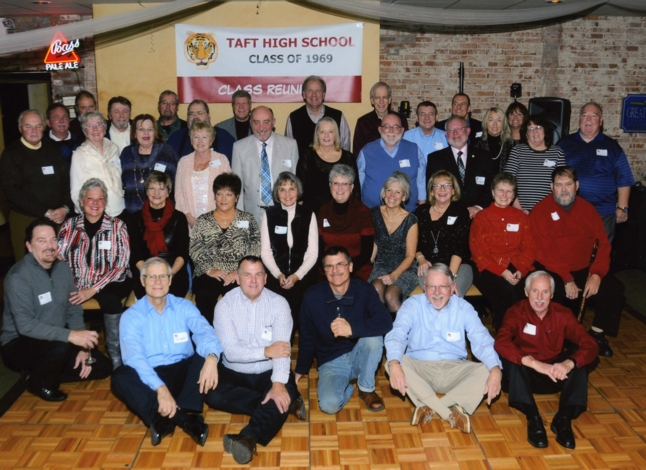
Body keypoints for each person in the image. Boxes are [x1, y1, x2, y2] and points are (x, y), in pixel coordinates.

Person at [205, 256, 305, 465]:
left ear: (266, 278)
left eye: (258, 274)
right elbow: (231, 352)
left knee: (280, 391)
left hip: (269, 371)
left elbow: (282, 352)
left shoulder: (279, 304)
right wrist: (266, 351)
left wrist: (278, 384)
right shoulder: (224, 305)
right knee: (212, 394)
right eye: (247, 275)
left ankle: (248, 438)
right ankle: (285, 403)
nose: (253, 280)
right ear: (238, 278)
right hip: (234, 370)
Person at [111, 257, 220, 447]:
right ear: (142, 280)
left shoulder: (184, 306)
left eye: (163, 276)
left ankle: (162, 419)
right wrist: (160, 388)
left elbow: (204, 331)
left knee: (206, 354)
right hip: (150, 377)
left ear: (170, 280)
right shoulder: (131, 316)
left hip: (182, 374)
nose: (157, 282)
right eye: (151, 277)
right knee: (120, 376)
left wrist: (211, 357)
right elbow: (135, 358)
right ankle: (185, 419)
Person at [1, 219, 112, 402]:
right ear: (29, 246)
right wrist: (70, 336)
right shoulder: (18, 277)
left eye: (53, 240)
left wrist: (82, 347)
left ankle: (35, 374)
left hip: (55, 339)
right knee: (61, 346)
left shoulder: (63, 268)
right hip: (19, 342)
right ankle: (42, 382)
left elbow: (73, 308)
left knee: (102, 367)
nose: (49, 246)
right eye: (41, 240)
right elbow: (25, 325)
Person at [385, 264, 502, 432]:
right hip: (420, 370)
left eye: (443, 286)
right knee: (393, 362)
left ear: (452, 288)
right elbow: (397, 334)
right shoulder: (412, 305)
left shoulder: (464, 308)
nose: (437, 292)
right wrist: (395, 364)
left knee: (489, 369)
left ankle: (428, 406)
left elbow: (481, 339)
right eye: (431, 287)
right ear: (424, 288)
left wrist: (496, 370)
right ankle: (450, 412)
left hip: (455, 370)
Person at [494, 271, 599, 449]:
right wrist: (533, 363)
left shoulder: (562, 314)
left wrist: (568, 364)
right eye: (535, 291)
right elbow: (501, 341)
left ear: (552, 294)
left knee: (579, 357)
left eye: (545, 292)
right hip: (525, 378)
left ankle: (563, 419)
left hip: (555, 375)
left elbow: (591, 344)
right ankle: (533, 418)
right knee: (512, 357)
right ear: (526, 292)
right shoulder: (516, 312)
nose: (540, 298)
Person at [529, 166, 625, 357]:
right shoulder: (540, 211)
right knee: (551, 290)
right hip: (553, 268)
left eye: (568, 184)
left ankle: (596, 334)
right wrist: (566, 278)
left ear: (577, 185)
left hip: (583, 268)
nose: (564, 189)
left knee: (614, 289)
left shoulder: (588, 209)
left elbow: (603, 245)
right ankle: (551, 338)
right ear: (551, 187)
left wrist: (596, 274)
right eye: (559, 185)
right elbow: (542, 251)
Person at [296, 246, 393, 414]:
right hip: (331, 360)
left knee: (373, 339)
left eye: (340, 264)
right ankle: (347, 386)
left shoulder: (364, 290)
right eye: (329, 266)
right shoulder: (312, 296)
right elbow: (307, 336)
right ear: (324, 271)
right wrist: (301, 369)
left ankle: (366, 388)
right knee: (329, 405)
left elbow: (386, 321)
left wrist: (352, 329)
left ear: (350, 266)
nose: (335, 271)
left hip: (359, 354)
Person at [58, 178, 132, 369]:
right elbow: (59, 258)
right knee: (60, 297)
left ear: (105, 202)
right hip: (78, 281)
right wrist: (71, 285)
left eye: (100, 198)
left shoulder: (118, 226)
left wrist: (92, 290)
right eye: (90, 198)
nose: (95, 203)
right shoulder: (69, 226)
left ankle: (116, 355)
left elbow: (121, 266)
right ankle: (75, 350)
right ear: (81, 201)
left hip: (111, 281)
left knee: (110, 299)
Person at [0, 109, 74, 261]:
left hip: (57, 218)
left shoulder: (53, 150)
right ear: (20, 128)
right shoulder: (10, 154)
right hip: (25, 218)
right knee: (29, 264)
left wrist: (65, 208)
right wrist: (45, 212)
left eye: (38, 126)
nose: (34, 130)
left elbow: (67, 181)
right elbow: (12, 192)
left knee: (58, 262)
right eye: (28, 126)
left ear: (43, 127)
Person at [557, 102, 635, 242]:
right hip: (569, 211)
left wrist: (623, 208)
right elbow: (551, 177)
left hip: (603, 213)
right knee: (569, 251)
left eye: (594, 116)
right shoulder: (563, 145)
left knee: (599, 253)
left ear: (600, 121)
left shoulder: (612, 147)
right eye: (584, 115)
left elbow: (623, 178)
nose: (588, 119)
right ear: (580, 119)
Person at [189, 172, 260, 324]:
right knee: (205, 294)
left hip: (239, 273)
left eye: (228, 194)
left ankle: (235, 336)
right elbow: (194, 249)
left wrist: (239, 271)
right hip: (209, 272)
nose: (223, 199)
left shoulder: (247, 219)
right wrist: (209, 270)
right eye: (219, 194)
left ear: (237, 196)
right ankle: (208, 336)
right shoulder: (203, 220)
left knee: (237, 296)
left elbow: (255, 247)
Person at [469, 172, 535, 330]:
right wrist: (502, 272)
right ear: (493, 192)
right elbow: (478, 253)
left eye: (509, 191)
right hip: (487, 267)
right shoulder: (481, 217)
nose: (504, 195)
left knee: (529, 290)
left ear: (514, 195)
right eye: (500, 190)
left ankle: (528, 336)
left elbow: (529, 248)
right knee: (504, 293)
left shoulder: (522, 218)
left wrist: (521, 269)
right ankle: (505, 338)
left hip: (517, 265)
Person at [261, 172, 318, 331]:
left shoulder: (308, 214)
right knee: (275, 317)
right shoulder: (269, 214)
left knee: (296, 313)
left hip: (302, 276)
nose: (287, 194)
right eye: (282, 189)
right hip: (275, 275)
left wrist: (296, 276)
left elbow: (312, 253)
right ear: (277, 193)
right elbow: (265, 252)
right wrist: (278, 274)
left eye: (291, 189)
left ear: (298, 191)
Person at [232, 106, 299, 224]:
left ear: (273, 122)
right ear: (250, 123)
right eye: (256, 122)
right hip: (252, 215)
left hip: (283, 212)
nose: (261, 127)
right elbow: (237, 187)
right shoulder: (239, 147)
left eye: (266, 122)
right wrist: (240, 218)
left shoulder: (290, 145)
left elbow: (295, 184)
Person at [128, 172, 190, 299]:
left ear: (168, 192)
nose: (156, 193)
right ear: (146, 191)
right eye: (152, 188)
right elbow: (135, 254)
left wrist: (168, 275)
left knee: (171, 298)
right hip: (145, 271)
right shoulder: (135, 219)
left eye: (162, 189)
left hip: (173, 272)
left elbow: (182, 253)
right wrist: (150, 275)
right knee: (148, 295)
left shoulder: (179, 218)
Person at [426, 115, 497, 219]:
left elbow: (492, 186)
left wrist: (478, 207)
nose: (455, 133)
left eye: (459, 128)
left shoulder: (484, 156)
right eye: (451, 130)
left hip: (479, 215)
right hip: (447, 216)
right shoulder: (435, 158)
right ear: (446, 134)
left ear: (468, 131)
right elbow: (431, 189)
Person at [414, 170, 473, 297]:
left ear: (453, 190)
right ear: (431, 191)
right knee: (433, 294)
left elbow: (459, 247)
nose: (442, 189)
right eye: (437, 185)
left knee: (452, 294)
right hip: (428, 265)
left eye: (447, 185)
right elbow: (413, 242)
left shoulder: (461, 212)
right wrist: (421, 259)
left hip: (458, 266)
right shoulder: (420, 212)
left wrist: (451, 277)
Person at [368, 172, 419, 314]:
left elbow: (410, 255)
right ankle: (381, 326)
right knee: (376, 289)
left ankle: (404, 328)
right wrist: (368, 263)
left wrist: (394, 275)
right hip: (381, 266)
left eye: (398, 192)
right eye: (389, 190)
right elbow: (375, 243)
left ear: (404, 197)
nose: (392, 195)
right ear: (383, 193)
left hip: (405, 269)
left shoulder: (411, 220)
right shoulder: (374, 213)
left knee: (390, 295)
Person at [358, 112, 425, 212]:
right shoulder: (367, 150)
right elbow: (359, 180)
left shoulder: (414, 149)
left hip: (407, 212)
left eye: (396, 127)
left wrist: (423, 204)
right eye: (386, 126)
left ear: (402, 130)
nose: (391, 130)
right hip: (372, 212)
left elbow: (422, 179)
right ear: (380, 129)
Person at [318, 164, 375, 281]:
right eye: (336, 183)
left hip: (356, 270)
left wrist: (346, 270)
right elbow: (319, 249)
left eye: (344, 184)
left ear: (352, 187)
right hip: (329, 270)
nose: (340, 188)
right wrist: (330, 269)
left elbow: (366, 253)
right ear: (330, 185)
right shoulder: (323, 211)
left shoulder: (363, 212)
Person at [175, 121, 231, 229]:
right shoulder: (183, 162)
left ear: (211, 140)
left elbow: (229, 191)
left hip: (217, 222)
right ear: (191, 140)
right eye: (196, 137)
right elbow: (179, 193)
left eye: (204, 137)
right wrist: (187, 215)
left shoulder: (221, 160)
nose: (200, 141)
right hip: (189, 223)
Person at [296, 116, 360, 213]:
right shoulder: (307, 155)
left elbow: (356, 190)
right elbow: (299, 185)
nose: (326, 136)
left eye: (330, 132)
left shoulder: (348, 157)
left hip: (341, 211)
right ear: (317, 135)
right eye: (322, 132)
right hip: (311, 211)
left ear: (336, 135)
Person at [504, 114, 566, 213]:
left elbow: (562, 183)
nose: (535, 131)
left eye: (538, 127)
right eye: (531, 129)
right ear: (526, 134)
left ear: (545, 130)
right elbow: (507, 181)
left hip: (548, 212)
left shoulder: (557, 152)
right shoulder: (517, 151)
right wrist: (519, 210)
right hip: (520, 211)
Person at [69, 111, 125, 219]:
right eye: (90, 126)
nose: (95, 129)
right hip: (94, 213)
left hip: (118, 208)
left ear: (104, 129)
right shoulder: (79, 154)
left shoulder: (114, 148)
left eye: (98, 124)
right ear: (85, 132)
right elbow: (75, 191)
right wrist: (87, 215)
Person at [120, 113, 179, 214]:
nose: (146, 133)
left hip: (163, 216)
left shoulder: (167, 152)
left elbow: (177, 185)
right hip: (133, 216)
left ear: (155, 132)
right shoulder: (126, 154)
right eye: (141, 129)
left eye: (150, 129)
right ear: (134, 133)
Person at [285, 75, 351, 157]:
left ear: (323, 94)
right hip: (302, 165)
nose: (314, 95)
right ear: (304, 94)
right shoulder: (293, 118)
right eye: (310, 91)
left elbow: (345, 150)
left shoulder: (338, 116)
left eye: (318, 91)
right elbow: (288, 150)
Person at [353, 82, 409, 158]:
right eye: (377, 97)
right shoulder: (363, 122)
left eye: (384, 97)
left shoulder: (400, 119)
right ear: (372, 100)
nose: (381, 101)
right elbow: (357, 153)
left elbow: (405, 146)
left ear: (389, 100)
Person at [167, 99, 235, 162]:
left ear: (208, 116)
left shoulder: (224, 137)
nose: (195, 117)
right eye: (191, 114)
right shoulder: (176, 138)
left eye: (199, 113)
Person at [214, 90, 253, 161]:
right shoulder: (220, 129)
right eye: (237, 103)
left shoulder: (259, 128)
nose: (241, 107)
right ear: (233, 106)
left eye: (244, 103)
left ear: (250, 106)